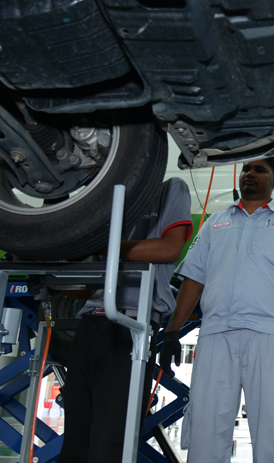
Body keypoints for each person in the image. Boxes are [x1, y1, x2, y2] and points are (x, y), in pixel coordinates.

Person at [160, 157, 274, 463]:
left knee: (273, 429)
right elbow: (193, 280)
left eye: (260, 170)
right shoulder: (214, 223)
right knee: (205, 427)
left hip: (270, 337)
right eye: (246, 168)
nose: (250, 174)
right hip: (216, 334)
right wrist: (171, 331)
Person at [59, 178, 193, 463]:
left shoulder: (170, 189)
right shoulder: (107, 199)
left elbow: (169, 249)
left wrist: (102, 246)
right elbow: (94, 284)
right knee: (74, 441)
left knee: (108, 445)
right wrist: (54, 283)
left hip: (130, 330)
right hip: (91, 324)